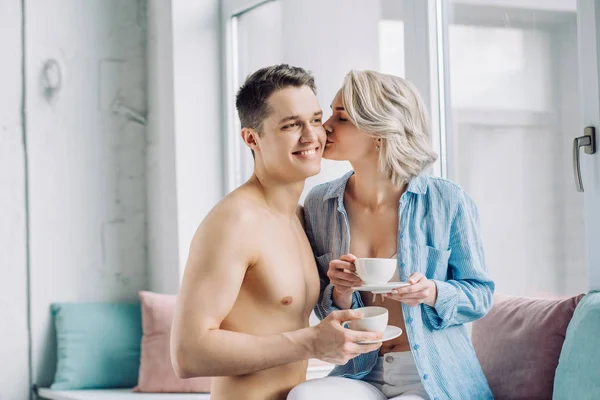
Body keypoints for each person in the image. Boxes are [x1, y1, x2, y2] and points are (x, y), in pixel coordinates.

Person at [170, 64, 384, 400]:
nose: (312, 136)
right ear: (251, 138)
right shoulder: (235, 221)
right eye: (290, 125)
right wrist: (311, 342)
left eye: (315, 119)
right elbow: (187, 353)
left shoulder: (300, 216)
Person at [288, 70, 495, 400]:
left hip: (430, 374)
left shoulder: (446, 200)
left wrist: (432, 292)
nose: (324, 126)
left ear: (378, 131)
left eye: (340, 117)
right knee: (304, 395)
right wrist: (340, 292)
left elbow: (480, 294)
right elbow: (327, 313)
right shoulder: (320, 203)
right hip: (362, 370)